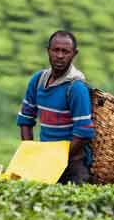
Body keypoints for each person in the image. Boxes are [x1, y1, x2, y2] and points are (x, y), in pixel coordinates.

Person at [16, 30, 95, 184]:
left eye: (65, 51)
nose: (60, 55)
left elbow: (84, 133)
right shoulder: (37, 80)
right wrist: (30, 153)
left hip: (72, 164)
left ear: (74, 54)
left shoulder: (76, 88)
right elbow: (25, 119)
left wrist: (57, 159)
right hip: (45, 159)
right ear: (48, 51)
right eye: (56, 50)